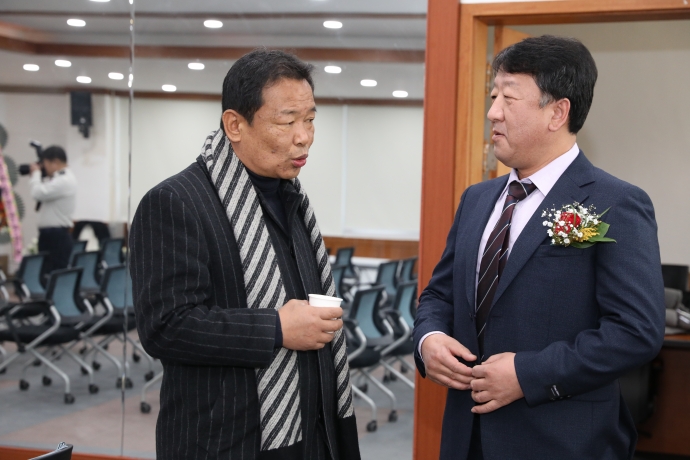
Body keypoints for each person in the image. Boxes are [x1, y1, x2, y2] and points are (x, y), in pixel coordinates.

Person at [413, 35, 665, 460]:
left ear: (557, 113)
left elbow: (635, 332)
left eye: (508, 99)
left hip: (561, 441)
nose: (492, 112)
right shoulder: (477, 198)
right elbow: (440, 293)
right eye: (493, 96)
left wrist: (526, 374)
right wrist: (429, 338)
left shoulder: (616, 203)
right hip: (466, 437)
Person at [130, 49, 360, 460]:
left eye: (309, 119)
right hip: (226, 441)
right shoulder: (175, 201)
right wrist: (275, 328)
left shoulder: (291, 199)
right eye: (287, 121)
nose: (304, 136)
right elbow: (165, 326)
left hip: (310, 432)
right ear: (235, 125)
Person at [29, 146, 76, 273]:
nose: (44, 168)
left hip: (56, 237)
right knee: (47, 274)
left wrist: (36, 174)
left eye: (45, 164)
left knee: (52, 275)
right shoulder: (60, 178)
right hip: (53, 236)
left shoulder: (64, 180)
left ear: (55, 162)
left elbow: (37, 193)